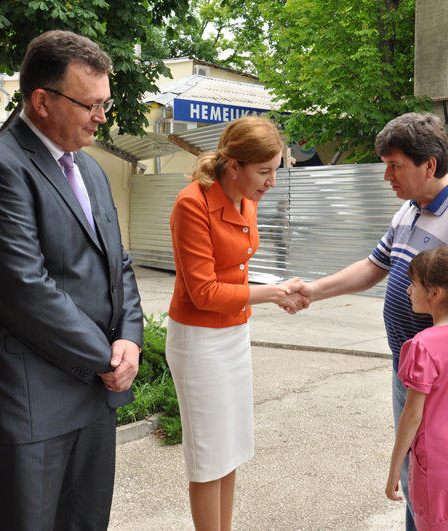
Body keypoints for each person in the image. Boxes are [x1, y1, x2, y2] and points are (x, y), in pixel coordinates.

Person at [0, 30, 143, 530]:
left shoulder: (91, 169)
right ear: (41, 100)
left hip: (95, 395)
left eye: (106, 103)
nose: (103, 117)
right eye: (91, 105)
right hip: (31, 403)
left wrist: (130, 339)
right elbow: (25, 292)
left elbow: (117, 263)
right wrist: (107, 358)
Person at [300, 112, 448, 529]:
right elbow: (373, 266)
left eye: (395, 166)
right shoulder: (410, 210)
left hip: (437, 379)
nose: (387, 176)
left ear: (429, 165)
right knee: (415, 473)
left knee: (427, 471)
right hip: (410, 368)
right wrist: (313, 290)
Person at [166, 115, 309, 531]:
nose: (272, 182)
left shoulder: (247, 198)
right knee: (209, 455)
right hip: (199, 340)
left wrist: (275, 293)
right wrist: (273, 293)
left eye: (276, 170)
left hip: (232, 333)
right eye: (264, 172)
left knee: (230, 449)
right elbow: (204, 292)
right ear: (235, 166)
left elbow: (236, 271)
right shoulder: (192, 203)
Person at [386, 246, 448, 531]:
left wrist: (395, 468)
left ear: (435, 293)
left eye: (413, 284)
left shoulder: (422, 346)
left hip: (436, 464)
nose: (407, 290)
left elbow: (411, 416)